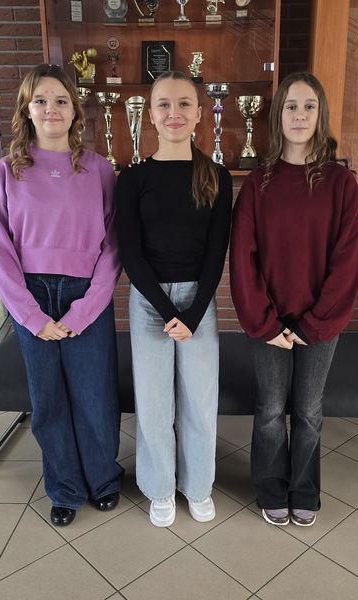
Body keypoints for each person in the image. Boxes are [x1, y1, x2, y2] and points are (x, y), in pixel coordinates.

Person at [0, 63, 123, 527]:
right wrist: (30, 315)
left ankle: (102, 479)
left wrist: (85, 310)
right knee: (48, 400)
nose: (51, 109)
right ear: (27, 109)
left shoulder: (99, 169)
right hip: (32, 294)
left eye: (61, 100)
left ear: (74, 110)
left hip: (86, 295)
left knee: (94, 395)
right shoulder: (7, 172)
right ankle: (64, 488)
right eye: (40, 100)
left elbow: (114, 246)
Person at [229, 72, 358, 527]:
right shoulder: (258, 184)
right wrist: (265, 322)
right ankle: (271, 488)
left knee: (308, 410)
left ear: (320, 115)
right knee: (270, 410)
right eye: (291, 106)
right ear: (278, 115)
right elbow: (243, 258)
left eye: (309, 106)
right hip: (269, 322)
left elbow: (347, 260)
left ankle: (303, 490)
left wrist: (314, 323)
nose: (300, 115)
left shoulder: (341, 183)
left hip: (319, 322)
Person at [115, 70, 232, 527]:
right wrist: (168, 312)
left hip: (198, 300)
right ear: (150, 115)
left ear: (200, 114)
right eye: (164, 104)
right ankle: (160, 487)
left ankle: (198, 486)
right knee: (154, 402)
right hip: (149, 302)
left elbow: (216, 252)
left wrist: (193, 313)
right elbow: (131, 252)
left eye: (184, 104)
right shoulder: (133, 178)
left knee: (199, 401)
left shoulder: (216, 176)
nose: (174, 113)